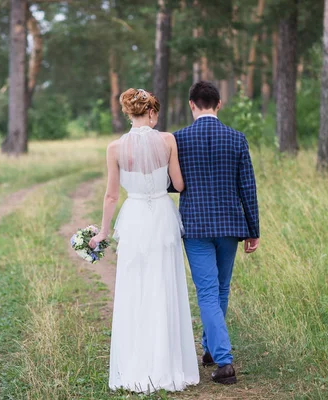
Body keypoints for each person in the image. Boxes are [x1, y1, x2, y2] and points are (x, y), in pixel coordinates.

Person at [89, 88, 199, 393]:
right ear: (151, 112)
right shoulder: (167, 141)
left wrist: (103, 231)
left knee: (135, 288)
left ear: (129, 113)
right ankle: (168, 364)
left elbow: (111, 195)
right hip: (163, 216)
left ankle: (137, 364)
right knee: (164, 284)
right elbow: (178, 183)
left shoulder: (115, 148)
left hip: (135, 217)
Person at [174, 81, 260, 384]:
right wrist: (254, 230)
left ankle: (223, 362)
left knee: (209, 292)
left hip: (196, 226)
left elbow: (173, 183)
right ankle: (212, 350)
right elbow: (247, 187)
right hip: (230, 226)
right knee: (220, 289)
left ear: (191, 104)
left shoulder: (179, 139)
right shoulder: (237, 139)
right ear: (219, 104)